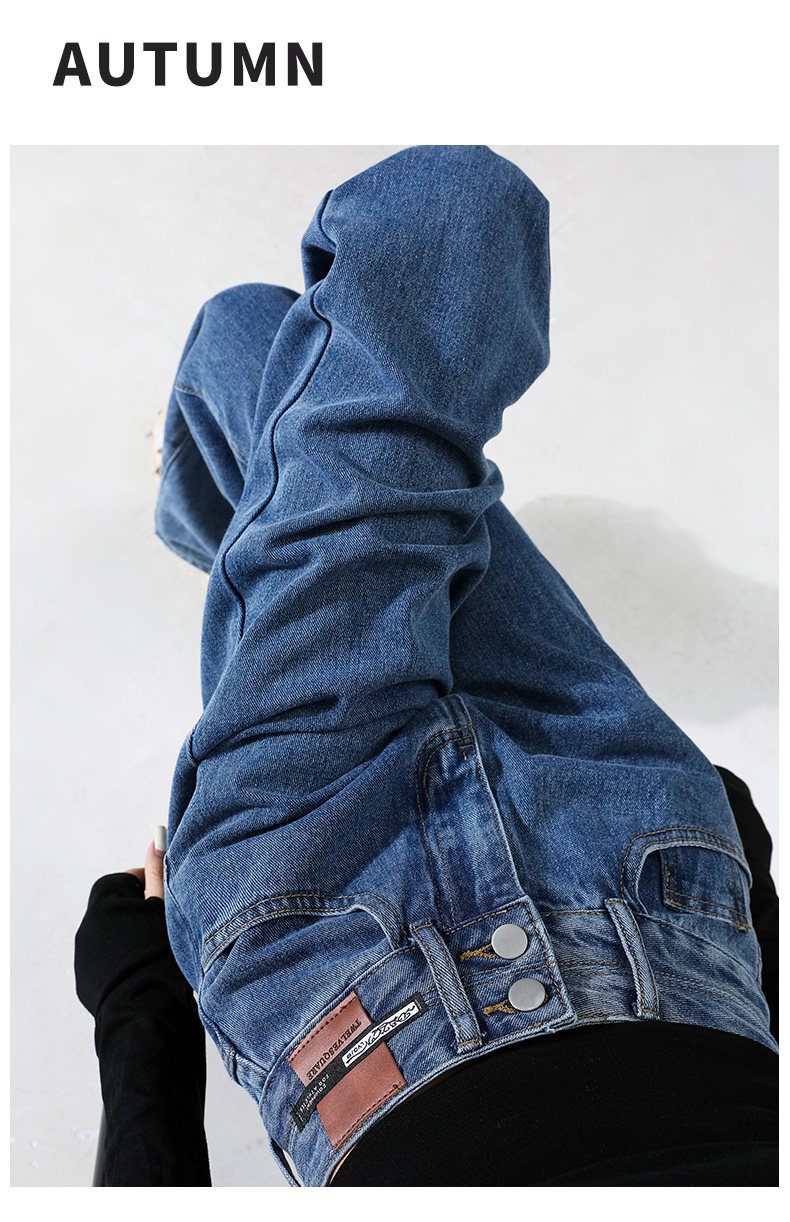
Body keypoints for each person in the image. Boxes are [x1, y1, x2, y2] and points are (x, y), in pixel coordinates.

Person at [75, 145, 778, 1186]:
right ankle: (216, 511)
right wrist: (744, 923)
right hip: (653, 900)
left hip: (323, 927)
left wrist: (141, 1002)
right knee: (318, 321)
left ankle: (221, 513)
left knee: (281, 315)